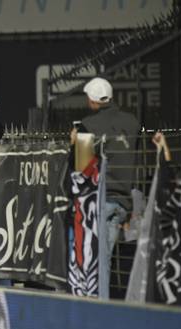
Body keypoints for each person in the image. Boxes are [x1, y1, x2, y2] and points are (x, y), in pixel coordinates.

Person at [72, 77, 140, 296]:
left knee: (99, 261)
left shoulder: (88, 126)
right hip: (124, 201)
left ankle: (100, 307)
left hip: (100, 201)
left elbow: (81, 167)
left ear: (92, 100)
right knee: (107, 257)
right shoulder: (132, 122)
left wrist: (74, 143)